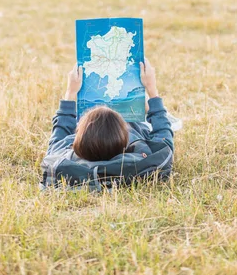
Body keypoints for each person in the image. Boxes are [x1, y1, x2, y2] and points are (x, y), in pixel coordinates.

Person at [41, 59, 175, 190]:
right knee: (143, 108)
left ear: (80, 138)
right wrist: (152, 89)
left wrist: (70, 93)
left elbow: (59, 135)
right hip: (137, 125)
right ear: (125, 140)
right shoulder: (143, 157)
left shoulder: (61, 160)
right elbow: (164, 138)